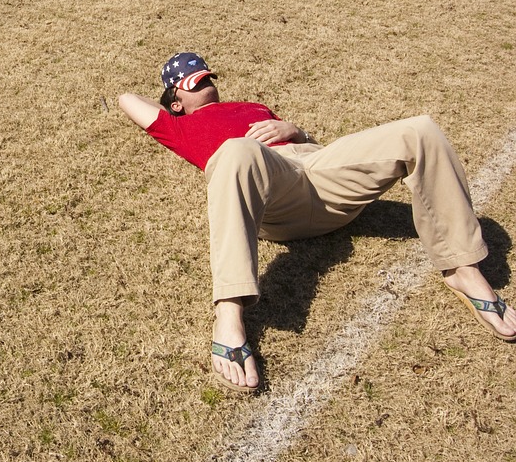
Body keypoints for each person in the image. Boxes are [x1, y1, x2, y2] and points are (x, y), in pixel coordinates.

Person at [118, 52, 516, 392]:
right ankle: (229, 312)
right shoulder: (178, 126)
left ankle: (463, 267)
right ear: (175, 99)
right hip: (275, 192)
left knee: (420, 130)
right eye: (193, 81)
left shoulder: (254, 106)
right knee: (236, 150)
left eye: (206, 75)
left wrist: (296, 129)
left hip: (317, 170)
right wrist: (171, 98)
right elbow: (126, 98)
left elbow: (318, 149)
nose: (205, 82)